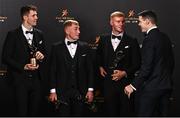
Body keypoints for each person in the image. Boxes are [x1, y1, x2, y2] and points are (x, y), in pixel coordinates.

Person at [124, 10, 175, 116]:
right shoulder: (165, 37)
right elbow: (171, 63)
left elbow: (147, 67)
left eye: (140, 21)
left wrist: (133, 86)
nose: (138, 24)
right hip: (166, 87)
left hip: (151, 89)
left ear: (147, 21)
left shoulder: (149, 39)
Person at [2, 5, 46, 116]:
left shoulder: (39, 34)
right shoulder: (12, 35)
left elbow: (44, 55)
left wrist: (41, 56)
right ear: (25, 17)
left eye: (36, 15)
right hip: (19, 81)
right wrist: (23, 66)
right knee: (21, 113)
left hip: (36, 81)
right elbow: (5, 57)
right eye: (34, 15)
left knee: (35, 113)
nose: (37, 17)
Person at [96, 11, 141, 116]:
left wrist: (124, 73)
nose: (121, 24)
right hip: (108, 85)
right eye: (118, 21)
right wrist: (100, 66)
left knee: (126, 113)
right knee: (110, 113)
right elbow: (98, 55)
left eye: (123, 21)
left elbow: (137, 63)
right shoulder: (103, 39)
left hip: (125, 85)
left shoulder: (132, 40)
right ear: (111, 22)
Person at [48, 19, 94, 116]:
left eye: (79, 29)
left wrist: (90, 90)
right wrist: (53, 91)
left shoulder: (85, 46)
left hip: (81, 92)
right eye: (76, 29)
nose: (79, 32)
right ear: (67, 31)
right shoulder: (56, 47)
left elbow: (90, 70)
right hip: (62, 92)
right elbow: (52, 70)